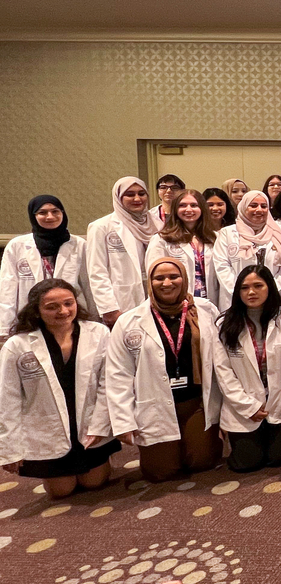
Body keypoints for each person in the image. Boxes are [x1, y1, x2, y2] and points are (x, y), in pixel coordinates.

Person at [0, 280, 118, 498]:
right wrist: (10, 449)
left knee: (94, 482)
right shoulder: (17, 345)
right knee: (61, 491)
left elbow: (108, 383)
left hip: (90, 424)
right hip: (48, 428)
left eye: (68, 303)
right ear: (37, 310)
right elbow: (7, 399)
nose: (63, 311)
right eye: (52, 307)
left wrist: (100, 424)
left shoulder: (99, 333)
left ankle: (100, 460)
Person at [107, 258, 222, 481]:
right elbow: (118, 374)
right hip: (154, 405)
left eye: (174, 276)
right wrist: (123, 421)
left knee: (202, 462)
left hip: (196, 401)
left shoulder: (205, 309)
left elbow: (220, 360)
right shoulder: (128, 322)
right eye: (159, 278)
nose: (167, 283)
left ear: (185, 279)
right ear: (149, 282)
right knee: (160, 472)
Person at [211, 265, 281, 473]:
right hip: (242, 405)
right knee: (247, 464)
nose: (251, 292)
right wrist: (247, 406)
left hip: (280, 401)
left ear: (270, 287)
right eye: (244, 288)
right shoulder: (225, 323)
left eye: (258, 286)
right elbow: (223, 373)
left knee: (279, 458)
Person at [0, 195, 90, 340]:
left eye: (55, 211)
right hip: (31, 315)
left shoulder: (79, 244)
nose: (50, 216)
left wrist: (94, 320)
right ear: (33, 215)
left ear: (63, 213)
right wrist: (4, 327)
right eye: (42, 212)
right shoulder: (17, 245)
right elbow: (7, 288)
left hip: (69, 314)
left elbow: (88, 285)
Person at [88, 177, 161, 327]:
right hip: (122, 302)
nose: (137, 198)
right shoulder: (102, 227)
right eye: (130, 194)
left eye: (142, 193)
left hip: (156, 297)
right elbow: (96, 271)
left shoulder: (158, 224)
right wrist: (109, 308)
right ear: (118, 197)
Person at [213, 191, 281, 312]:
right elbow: (222, 267)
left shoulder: (280, 233)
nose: (259, 210)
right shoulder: (227, 233)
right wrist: (242, 292)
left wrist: (268, 292)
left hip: (272, 299)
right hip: (234, 300)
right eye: (253, 205)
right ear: (243, 207)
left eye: (263, 206)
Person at [146, 189, 220, 307]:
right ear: (175, 209)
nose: (188, 210)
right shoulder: (161, 239)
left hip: (211, 302)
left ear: (202, 209)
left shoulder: (215, 238)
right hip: (177, 303)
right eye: (182, 205)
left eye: (194, 205)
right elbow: (155, 276)